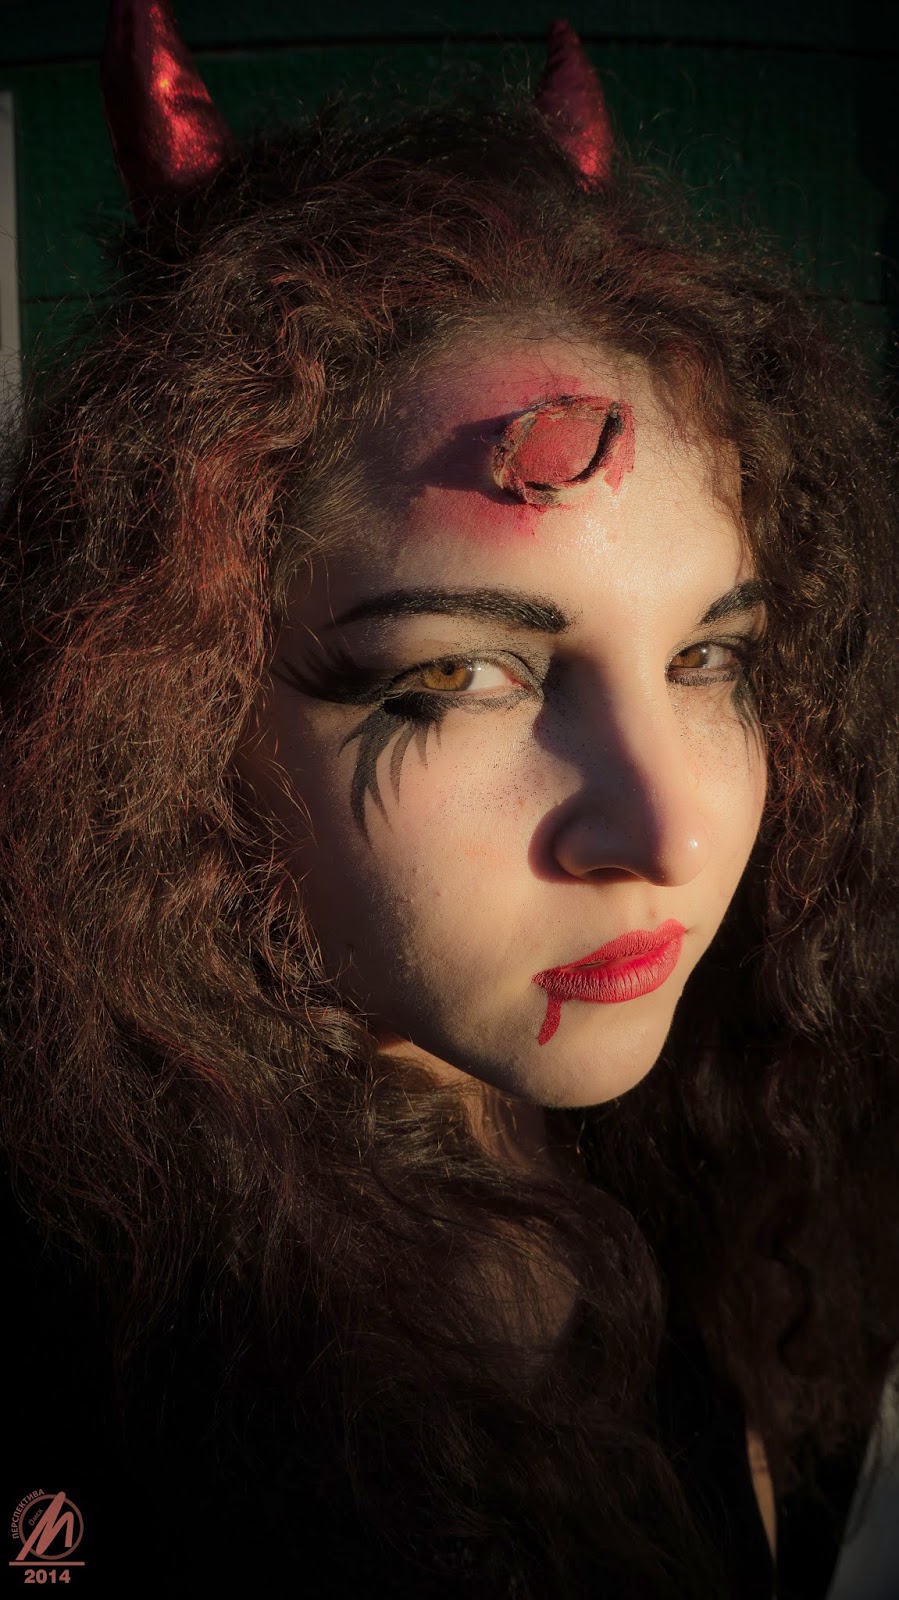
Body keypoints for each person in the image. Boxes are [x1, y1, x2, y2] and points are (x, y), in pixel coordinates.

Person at [2, 6, 898, 1596]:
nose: (674, 835)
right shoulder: (127, 1370)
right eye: (459, 675)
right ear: (177, 723)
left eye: (712, 657)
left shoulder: (726, 1143)